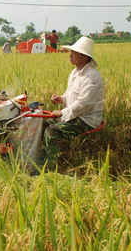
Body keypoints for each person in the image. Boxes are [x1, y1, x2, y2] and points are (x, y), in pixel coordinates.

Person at [41, 36, 104, 171]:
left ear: (83, 57)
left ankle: (50, 168)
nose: (70, 55)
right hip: (74, 114)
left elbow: (84, 104)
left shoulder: (92, 76)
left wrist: (62, 112)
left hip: (86, 119)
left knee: (52, 131)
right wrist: (61, 99)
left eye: (73, 53)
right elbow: (71, 95)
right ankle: (43, 157)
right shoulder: (75, 73)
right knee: (41, 124)